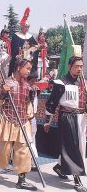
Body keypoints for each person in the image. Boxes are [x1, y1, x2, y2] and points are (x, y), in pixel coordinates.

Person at [0, 59, 37, 191]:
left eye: (29, 69)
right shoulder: (6, 83)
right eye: (27, 68)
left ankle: (21, 180)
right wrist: (3, 92)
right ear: (18, 67)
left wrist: (29, 114)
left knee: (23, 150)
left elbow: (27, 103)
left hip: (22, 121)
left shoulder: (27, 86)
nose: (29, 71)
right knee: (3, 150)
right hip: (7, 120)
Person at [44, 55, 87, 192]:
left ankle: (59, 166)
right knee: (73, 147)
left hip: (81, 118)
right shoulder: (61, 83)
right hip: (67, 117)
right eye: (76, 66)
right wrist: (47, 121)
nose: (79, 69)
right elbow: (51, 103)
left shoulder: (84, 83)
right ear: (69, 66)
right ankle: (77, 179)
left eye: (81, 66)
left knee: (80, 147)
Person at [8, 7, 37, 77]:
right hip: (19, 59)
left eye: (28, 27)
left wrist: (36, 47)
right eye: (25, 27)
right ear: (21, 26)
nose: (26, 29)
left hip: (28, 59)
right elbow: (13, 49)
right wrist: (16, 55)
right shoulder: (16, 36)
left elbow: (35, 46)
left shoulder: (30, 36)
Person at [27, 72, 40, 171]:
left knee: (31, 139)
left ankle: (32, 160)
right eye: (32, 80)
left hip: (31, 117)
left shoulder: (35, 89)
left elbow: (35, 104)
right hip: (23, 117)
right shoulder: (23, 87)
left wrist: (32, 117)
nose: (34, 83)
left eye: (35, 80)